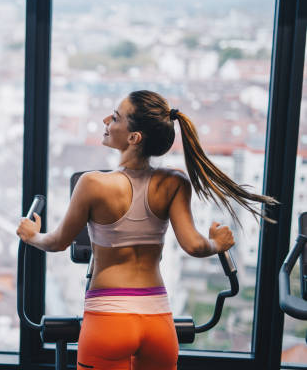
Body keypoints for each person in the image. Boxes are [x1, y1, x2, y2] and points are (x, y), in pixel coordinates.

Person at [16, 90, 278, 370]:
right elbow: (194, 246)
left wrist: (32, 235)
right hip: (157, 322)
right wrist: (216, 244)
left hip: (108, 320)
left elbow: (57, 242)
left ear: (134, 137)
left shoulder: (93, 184)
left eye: (115, 117)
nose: (106, 120)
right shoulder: (174, 182)